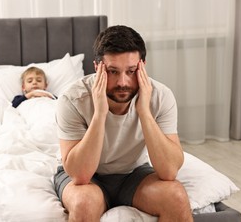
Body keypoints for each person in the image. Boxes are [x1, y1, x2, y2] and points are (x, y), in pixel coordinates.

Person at [54, 25, 193, 221]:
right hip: (87, 177)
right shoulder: (73, 99)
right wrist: (100, 113)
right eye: (113, 71)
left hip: (133, 174)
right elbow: (80, 176)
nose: (123, 82)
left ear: (142, 66)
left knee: (176, 196)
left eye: (131, 71)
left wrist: (144, 111)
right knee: (84, 203)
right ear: (97, 67)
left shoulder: (161, 96)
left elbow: (169, 171)